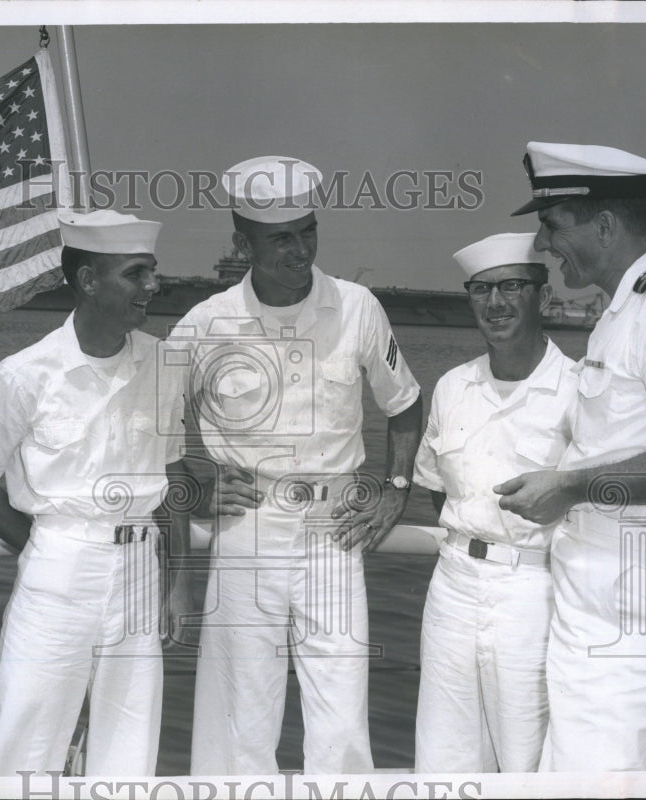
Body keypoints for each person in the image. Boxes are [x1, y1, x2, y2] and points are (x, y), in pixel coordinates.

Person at [166, 156, 423, 775]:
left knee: (341, 714)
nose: (300, 249)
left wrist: (395, 488)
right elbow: (151, 428)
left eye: (308, 231)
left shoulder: (357, 307)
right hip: (245, 527)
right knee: (239, 719)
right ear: (242, 241)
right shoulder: (206, 325)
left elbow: (406, 404)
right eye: (280, 237)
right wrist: (192, 495)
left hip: (334, 529)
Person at [497, 141, 646, 771]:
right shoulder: (628, 309)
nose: (542, 245)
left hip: (626, 619)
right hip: (617, 606)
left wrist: (569, 487)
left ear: (605, 224)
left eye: (552, 225)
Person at [0, 209, 187, 777]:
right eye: (136, 273)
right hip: (59, 571)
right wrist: (39, 544)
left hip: (142, 574)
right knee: (26, 743)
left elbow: (173, 477)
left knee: (130, 747)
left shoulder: (164, 365)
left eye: (152, 272)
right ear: (89, 282)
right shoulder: (26, 373)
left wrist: (178, 582)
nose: (152, 286)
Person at [411, 233, 577, 772]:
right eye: (481, 290)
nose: (495, 303)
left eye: (512, 287)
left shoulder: (580, 391)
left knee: (526, 754)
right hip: (452, 587)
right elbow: (436, 486)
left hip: (534, 590)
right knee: (444, 754)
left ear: (542, 297)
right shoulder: (452, 387)